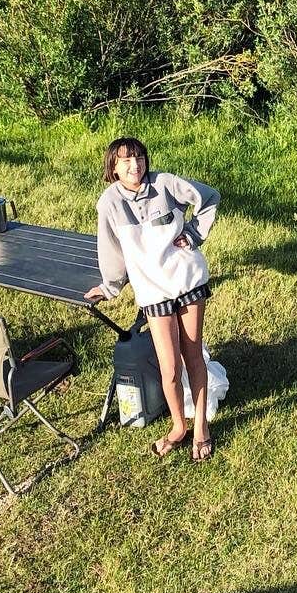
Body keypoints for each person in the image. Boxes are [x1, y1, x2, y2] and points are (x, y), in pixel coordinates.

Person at [84, 136, 220, 461]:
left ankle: (200, 427)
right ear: (113, 168)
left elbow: (210, 197)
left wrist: (194, 234)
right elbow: (111, 251)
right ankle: (178, 428)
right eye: (126, 160)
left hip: (187, 281)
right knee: (170, 367)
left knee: (193, 355)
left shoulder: (166, 184)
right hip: (153, 292)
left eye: (140, 157)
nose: (136, 165)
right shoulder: (109, 203)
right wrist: (110, 287)